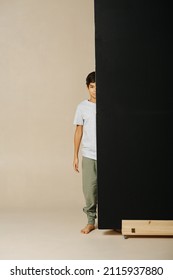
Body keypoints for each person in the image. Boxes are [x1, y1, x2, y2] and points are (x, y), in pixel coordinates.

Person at [73, 71, 97, 234]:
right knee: (89, 190)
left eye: (98, 86)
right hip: (89, 155)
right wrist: (75, 155)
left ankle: (112, 219)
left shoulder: (110, 104)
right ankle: (90, 221)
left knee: (111, 188)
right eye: (92, 86)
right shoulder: (82, 107)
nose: (95, 90)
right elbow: (78, 131)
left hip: (110, 155)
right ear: (87, 87)